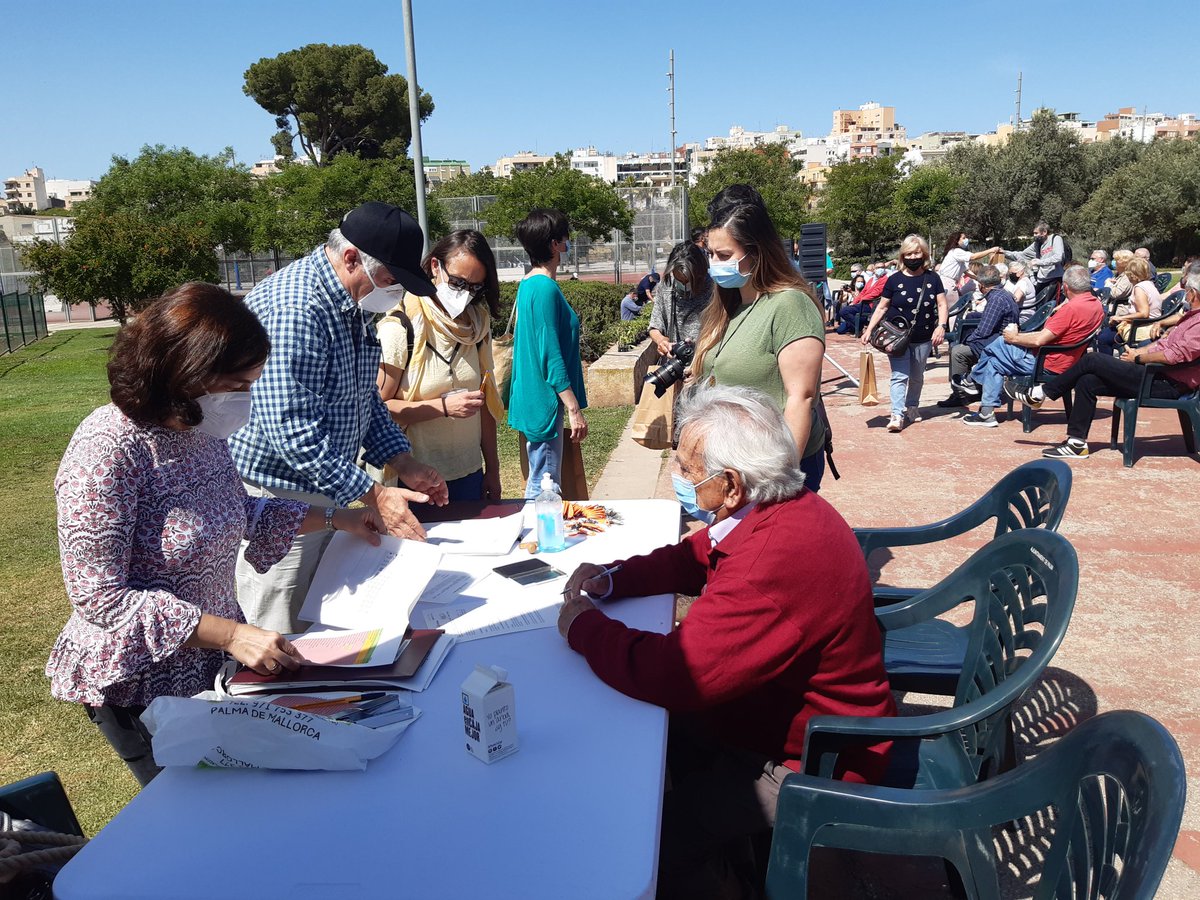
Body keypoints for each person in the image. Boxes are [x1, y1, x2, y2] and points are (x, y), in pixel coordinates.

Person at [557, 385, 895, 899]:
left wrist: (583, 626)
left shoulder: (767, 563)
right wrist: (615, 577)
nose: (678, 476)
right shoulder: (778, 505)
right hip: (780, 718)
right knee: (653, 751)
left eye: (688, 469)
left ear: (731, 485)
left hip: (814, 763)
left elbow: (677, 675)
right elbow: (694, 557)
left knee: (649, 843)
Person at [47, 284, 388, 785]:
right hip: (139, 681)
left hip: (208, 666)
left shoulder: (200, 431)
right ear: (188, 375)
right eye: (239, 386)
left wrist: (342, 518)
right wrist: (232, 634)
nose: (247, 400)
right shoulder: (108, 447)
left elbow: (238, 511)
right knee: (190, 808)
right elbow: (99, 597)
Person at [228, 202, 449, 634]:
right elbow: (291, 431)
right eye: (390, 280)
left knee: (324, 623)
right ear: (352, 258)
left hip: (326, 490)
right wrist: (373, 494)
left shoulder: (353, 303)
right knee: (279, 630)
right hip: (279, 498)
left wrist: (403, 462)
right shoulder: (298, 310)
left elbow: (362, 398)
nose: (394, 293)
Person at [691, 201, 829, 490]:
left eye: (725, 255)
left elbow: (801, 398)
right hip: (735, 461)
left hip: (772, 469)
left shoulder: (790, 305)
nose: (715, 262)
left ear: (756, 253)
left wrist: (780, 479)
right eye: (711, 254)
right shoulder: (729, 305)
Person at [1005, 266, 1200, 459]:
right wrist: (1138, 351)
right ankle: (1076, 443)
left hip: (1165, 381)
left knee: (1092, 359)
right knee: (1087, 380)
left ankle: (1041, 393)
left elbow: (1174, 356)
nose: (1185, 295)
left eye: (1187, 291)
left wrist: (1138, 358)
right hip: (1153, 373)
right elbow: (1164, 345)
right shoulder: (1191, 317)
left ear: (1193, 294)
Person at [375, 229, 505, 502]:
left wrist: (492, 470)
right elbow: (377, 410)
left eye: (474, 287)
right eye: (458, 283)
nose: (464, 294)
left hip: (469, 474)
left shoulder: (477, 328)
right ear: (435, 266)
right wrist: (442, 408)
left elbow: (485, 406)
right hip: (415, 479)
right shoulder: (401, 327)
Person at [957, 265, 1104, 427]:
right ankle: (986, 413)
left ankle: (972, 379)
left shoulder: (1071, 309)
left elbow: (1039, 340)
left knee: (998, 342)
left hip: (1045, 362)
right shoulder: (1096, 306)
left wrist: (1014, 338)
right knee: (994, 362)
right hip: (1068, 361)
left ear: (1066, 287)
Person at [508, 208, 588, 498]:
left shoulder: (528, 284)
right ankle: (541, 541)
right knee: (544, 487)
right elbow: (549, 354)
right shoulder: (544, 288)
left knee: (541, 479)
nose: (568, 242)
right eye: (565, 237)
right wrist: (573, 407)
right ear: (555, 244)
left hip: (534, 399)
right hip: (544, 403)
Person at [860, 235, 949, 433]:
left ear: (924, 254)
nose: (913, 257)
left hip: (923, 337)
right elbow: (882, 307)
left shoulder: (932, 278)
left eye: (916, 252)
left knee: (917, 376)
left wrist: (941, 326)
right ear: (902, 256)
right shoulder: (894, 280)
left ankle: (912, 407)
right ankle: (896, 414)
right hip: (896, 338)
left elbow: (942, 304)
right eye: (908, 253)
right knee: (899, 376)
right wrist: (870, 328)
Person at [938, 266, 1019, 408]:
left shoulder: (995, 299)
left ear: (982, 285)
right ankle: (970, 385)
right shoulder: (1003, 294)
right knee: (964, 343)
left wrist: (967, 340)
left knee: (958, 351)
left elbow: (983, 331)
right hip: (1002, 339)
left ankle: (960, 394)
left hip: (1001, 344)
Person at [649, 240, 712, 355]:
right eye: (679, 280)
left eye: (688, 281)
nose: (684, 285)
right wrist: (662, 341)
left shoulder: (714, 289)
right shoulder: (666, 286)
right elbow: (654, 326)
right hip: (676, 361)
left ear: (700, 273)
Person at [999, 221, 1065, 298]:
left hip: (1054, 279)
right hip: (1042, 279)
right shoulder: (1036, 244)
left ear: (1044, 232)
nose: (1034, 235)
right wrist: (1004, 252)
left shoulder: (1055, 239)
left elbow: (1058, 257)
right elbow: (1022, 255)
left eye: (1036, 233)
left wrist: (1039, 262)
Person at [936, 231, 996, 312]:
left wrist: (979, 279)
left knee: (949, 309)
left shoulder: (957, 256)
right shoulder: (956, 251)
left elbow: (967, 271)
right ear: (957, 240)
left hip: (948, 282)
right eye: (963, 238)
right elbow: (973, 257)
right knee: (953, 310)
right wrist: (990, 250)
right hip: (948, 283)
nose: (966, 240)